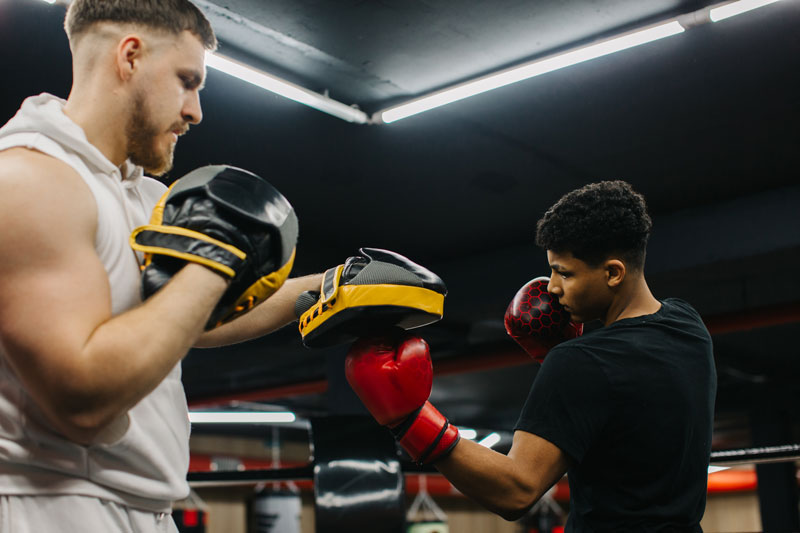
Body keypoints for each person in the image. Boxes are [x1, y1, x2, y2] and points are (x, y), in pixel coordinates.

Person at [0, 1, 321, 531]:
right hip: (55, 502)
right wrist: (214, 260)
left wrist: (327, 290)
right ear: (130, 57)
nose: (196, 110)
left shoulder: (144, 195)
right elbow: (81, 400)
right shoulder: (32, 180)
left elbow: (188, 318)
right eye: (187, 80)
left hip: (141, 507)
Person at [345, 180, 718, 531]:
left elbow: (516, 491)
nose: (552, 287)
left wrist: (409, 421)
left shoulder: (580, 362)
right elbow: (628, 403)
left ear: (613, 273)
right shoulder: (687, 324)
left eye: (564, 273)